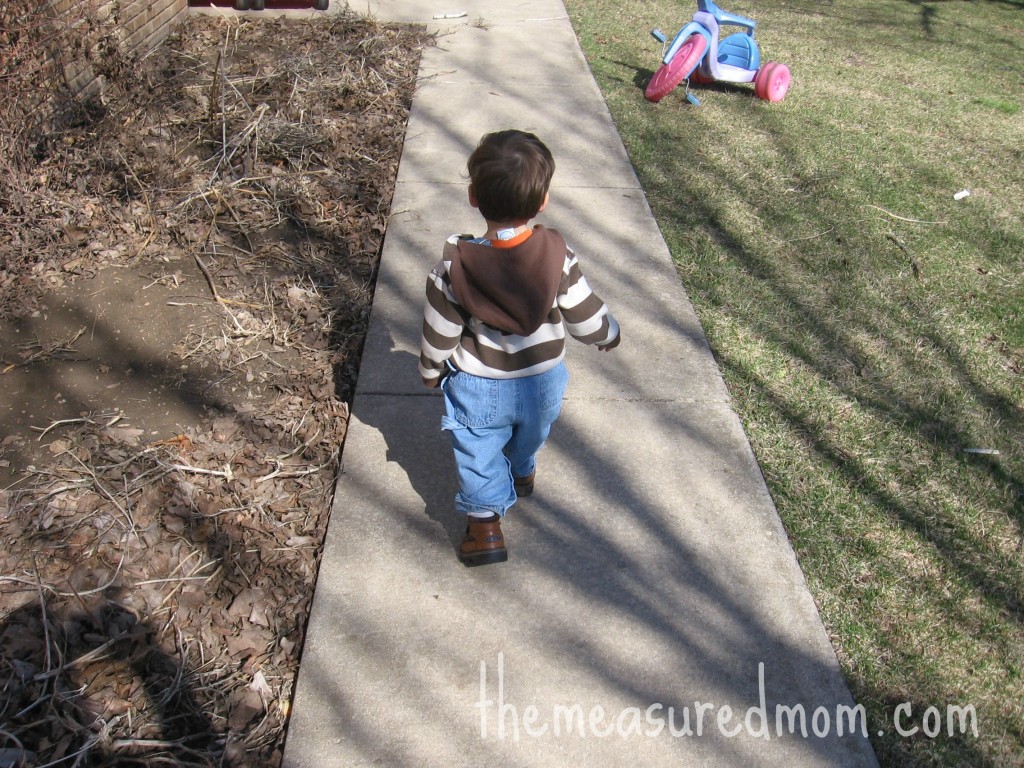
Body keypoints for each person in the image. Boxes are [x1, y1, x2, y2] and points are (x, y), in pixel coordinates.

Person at [418, 129, 621, 566]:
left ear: (473, 196)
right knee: (531, 431)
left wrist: (431, 368)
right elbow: (584, 314)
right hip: (542, 381)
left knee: (477, 449)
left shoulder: (453, 269)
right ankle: (523, 469)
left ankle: (485, 527)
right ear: (543, 200)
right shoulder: (557, 255)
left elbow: (440, 332)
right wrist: (608, 333)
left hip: (478, 382)